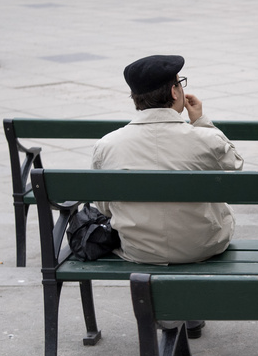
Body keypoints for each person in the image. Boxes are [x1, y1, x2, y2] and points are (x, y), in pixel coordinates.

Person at [92, 54, 244, 267]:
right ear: (174, 91)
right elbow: (235, 162)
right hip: (204, 245)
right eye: (180, 83)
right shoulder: (203, 138)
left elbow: (104, 207)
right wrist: (200, 121)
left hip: (140, 250)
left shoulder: (107, 145)